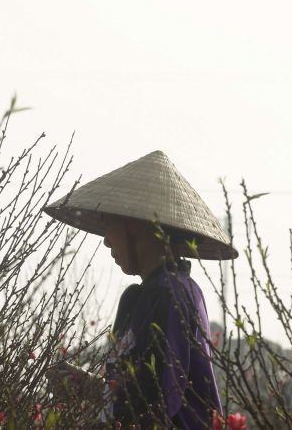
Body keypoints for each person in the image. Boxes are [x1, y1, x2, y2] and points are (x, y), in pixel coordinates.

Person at [42, 150, 236, 429]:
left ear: (135, 227)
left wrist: (92, 396)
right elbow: (137, 390)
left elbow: (157, 400)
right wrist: (86, 385)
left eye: (109, 225)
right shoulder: (142, 297)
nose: (107, 242)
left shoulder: (171, 293)